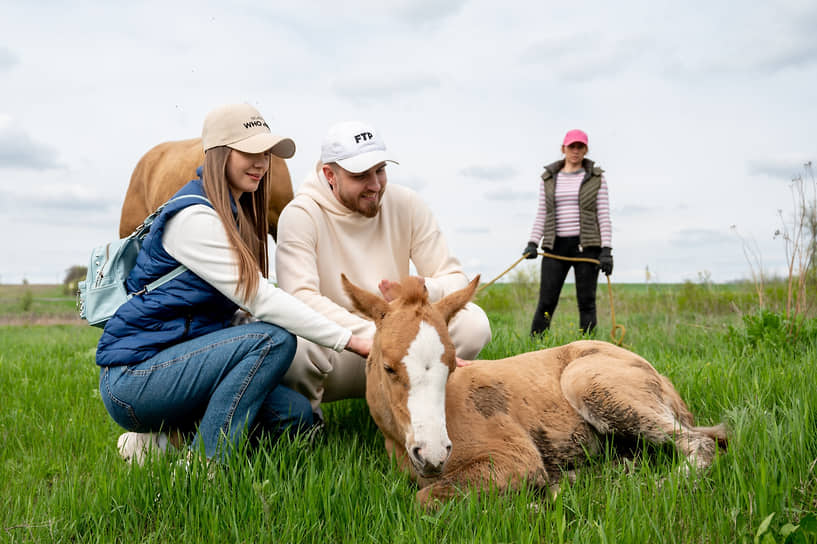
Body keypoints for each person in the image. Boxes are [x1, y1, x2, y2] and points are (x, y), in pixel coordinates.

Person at [96, 103, 370, 464]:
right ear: (220, 154)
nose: (262, 162)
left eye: (266, 153)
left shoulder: (234, 212)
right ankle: (205, 468)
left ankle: (159, 445)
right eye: (249, 152)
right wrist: (350, 340)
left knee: (293, 415)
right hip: (136, 379)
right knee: (273, 339)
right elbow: (261, 298)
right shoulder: (194, 218)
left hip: (187, 361)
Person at [275, 120, 492, 411]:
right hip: (342, 347)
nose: (375, 185)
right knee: (294, 345)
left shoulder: (406, 203)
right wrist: (377, 336)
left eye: (380, 170)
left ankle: (424, 412)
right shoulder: (300, 215)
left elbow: (454, 278)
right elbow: (299, 298)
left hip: (405, 346)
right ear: (330, 174)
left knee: (473, 324)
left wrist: (423, 289)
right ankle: (309, 425)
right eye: (361, 175)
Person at [522, 129, 613, 336]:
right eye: (572, 146)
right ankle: (535, 347)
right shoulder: (549, 179)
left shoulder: (597, 178)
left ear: (586, 150)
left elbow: (604, 215)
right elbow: (542, 213)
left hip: (587, 247)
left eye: (580, 146)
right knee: (546, 300)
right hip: (556, 246)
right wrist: (533, 243)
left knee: (587, 302)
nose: (575, 150)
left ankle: (588, 349)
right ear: (563, 148)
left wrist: (606, 250)